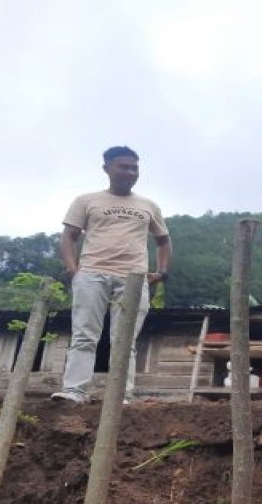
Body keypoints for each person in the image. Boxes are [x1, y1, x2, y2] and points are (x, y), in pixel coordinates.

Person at [51, 146, 172, 404]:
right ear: (107, 168)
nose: (130, 172)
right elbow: (68, 237)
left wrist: (161, 272)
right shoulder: (86, 200)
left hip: (133, 278)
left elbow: (163, 240)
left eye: (134, 168)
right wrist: (74, 271)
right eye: (123, 167)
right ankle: (74, 391)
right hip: (92, 273)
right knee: (84, 334)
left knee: (124, 340)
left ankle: (120, 395)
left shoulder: (148, 205)